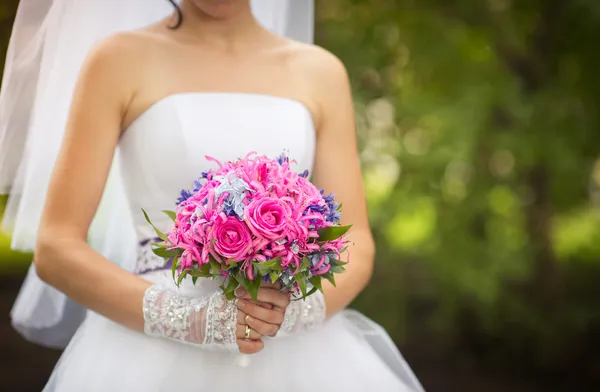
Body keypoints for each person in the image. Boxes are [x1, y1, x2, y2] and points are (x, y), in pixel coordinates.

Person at [0, 1, 426, 391]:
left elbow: (355, 243)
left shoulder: (319, 71)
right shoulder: (118, 59)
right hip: (151, 353)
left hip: (295, 345)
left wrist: (288, 315)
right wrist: (194, 321)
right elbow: (57, 247)